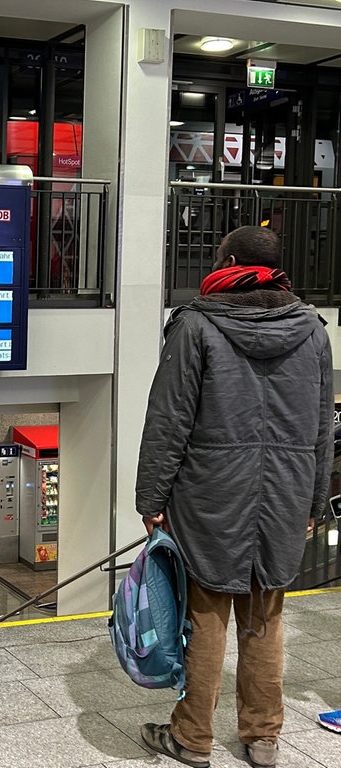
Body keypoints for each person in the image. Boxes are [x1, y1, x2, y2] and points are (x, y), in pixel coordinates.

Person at [135, 225, 334, 768]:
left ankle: (192, 738)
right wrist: (316, 500)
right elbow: (321, 428)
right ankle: (263, 738)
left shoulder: (197, 325)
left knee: (206, 614)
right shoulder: (313, 331)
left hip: (210, 494)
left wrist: (149, 498)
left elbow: (168, 421)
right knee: (266, 615)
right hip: (286, 495)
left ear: (228, 260)